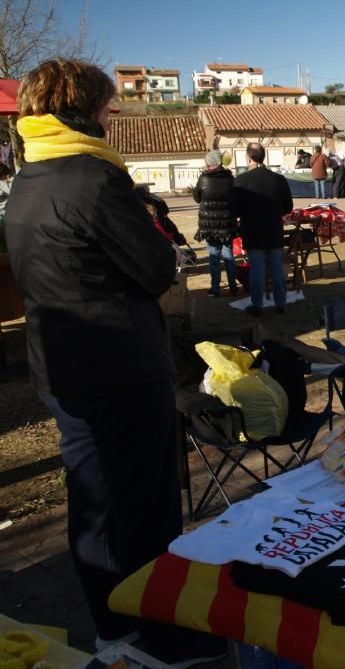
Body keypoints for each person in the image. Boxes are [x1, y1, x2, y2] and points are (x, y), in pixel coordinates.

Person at [4, 59, 226, 663]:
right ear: (81, 112)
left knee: (94, 500)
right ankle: (162, 636)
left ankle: (113, 627)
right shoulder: (95, 178)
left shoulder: (30, 175)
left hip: (62, 367)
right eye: (107, 109)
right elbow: (156, 270)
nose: (114, 118)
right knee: (146, 506)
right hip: (119, 368)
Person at [234, 142, 294, 316]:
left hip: (253, 231)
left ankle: (257, 304)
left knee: (257, 270)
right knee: (276, 268)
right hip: (273, 229)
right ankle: (281, 303)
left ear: (249, 158)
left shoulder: (242, 180)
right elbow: (287, 206)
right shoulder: (278, 179)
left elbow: (236, 209)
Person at [193, 150, 239, 297]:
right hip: (227, 224)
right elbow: (234, 199)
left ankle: (215, 289)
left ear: (208, 163)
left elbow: (196, 197)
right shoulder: (230, 178)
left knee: (214, 256)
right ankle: (233, 287)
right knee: (229, 255)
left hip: (209, 225)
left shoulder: (203, 179)